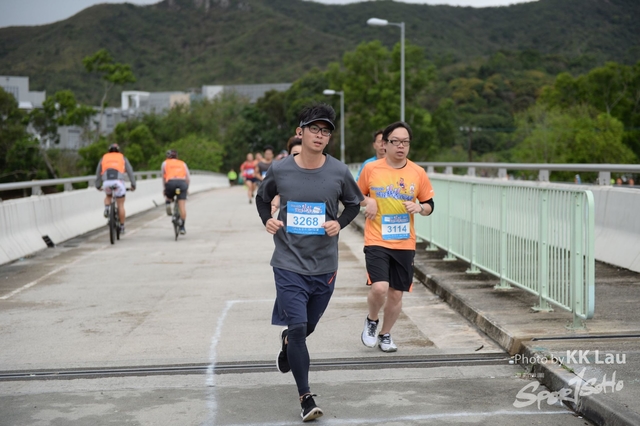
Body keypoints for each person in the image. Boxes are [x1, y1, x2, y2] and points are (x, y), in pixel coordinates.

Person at [255, 103, 364, 422]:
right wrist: (267, 220)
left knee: (307, 327)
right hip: (288, 262)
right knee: (300, 327)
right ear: (300, 132)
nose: (320, 135)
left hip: (325, 265)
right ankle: (306, 398)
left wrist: (339, 224)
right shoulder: (280, 169)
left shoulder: (339, 172)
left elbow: (354, 204)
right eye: (314, 128)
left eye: (326, 131)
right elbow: (263, 198)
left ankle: (288, 341)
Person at [358, 121, 435, 353]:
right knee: (380, 288)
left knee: (396, 293)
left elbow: (429, 205)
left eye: (405, 142)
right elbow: (354, 195)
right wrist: (368, 201)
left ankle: (385, 334)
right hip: (376, 239)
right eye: (396, 141)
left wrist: (419, 207)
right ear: (385, 144)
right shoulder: (371, 169)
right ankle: (372, 320)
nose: (401, 146)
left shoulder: (417, 172)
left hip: (404, 241)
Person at [95, 143, 136, 234]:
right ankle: (122, 226)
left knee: (108, 196)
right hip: (118, 182)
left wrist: (98, 185)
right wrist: (133, 185)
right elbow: (130, 171)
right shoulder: (122, 157)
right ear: (118, 150)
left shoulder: (104, 158)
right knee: (120, 204)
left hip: (106, 182)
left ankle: (106, 209)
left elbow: (98, 172)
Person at [162, 149, 190, 235]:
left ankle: (168, 203)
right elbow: (188, 178)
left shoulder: (165, 163)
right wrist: (186, 188)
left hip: (171, 183)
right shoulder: (182, 163)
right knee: (182, 207)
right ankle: (182, 227)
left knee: (169, 195)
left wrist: (165, 189)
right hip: (181, 184)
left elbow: (163, 178)